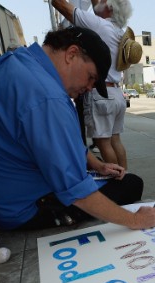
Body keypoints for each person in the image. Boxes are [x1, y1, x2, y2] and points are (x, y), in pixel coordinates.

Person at [0, 26, 155, 231]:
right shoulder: (48, 97)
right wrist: (136, 220)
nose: (90, 87)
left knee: (109, 175)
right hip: (23, 209)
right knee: (130, 184)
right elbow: (77, 191)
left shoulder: (15, 62)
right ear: (72, 54)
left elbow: (55, 142)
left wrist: (97, 165)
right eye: (91, 77)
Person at [51, 0, 140, 170]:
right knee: (116, 140)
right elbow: (97, 8)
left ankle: (115, 179)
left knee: (102, 142)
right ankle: (125, 176)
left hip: (101, 93)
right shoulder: (120, 33)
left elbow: (62, 6)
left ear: (110, 7)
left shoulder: (99, 25)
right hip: (116, 93)